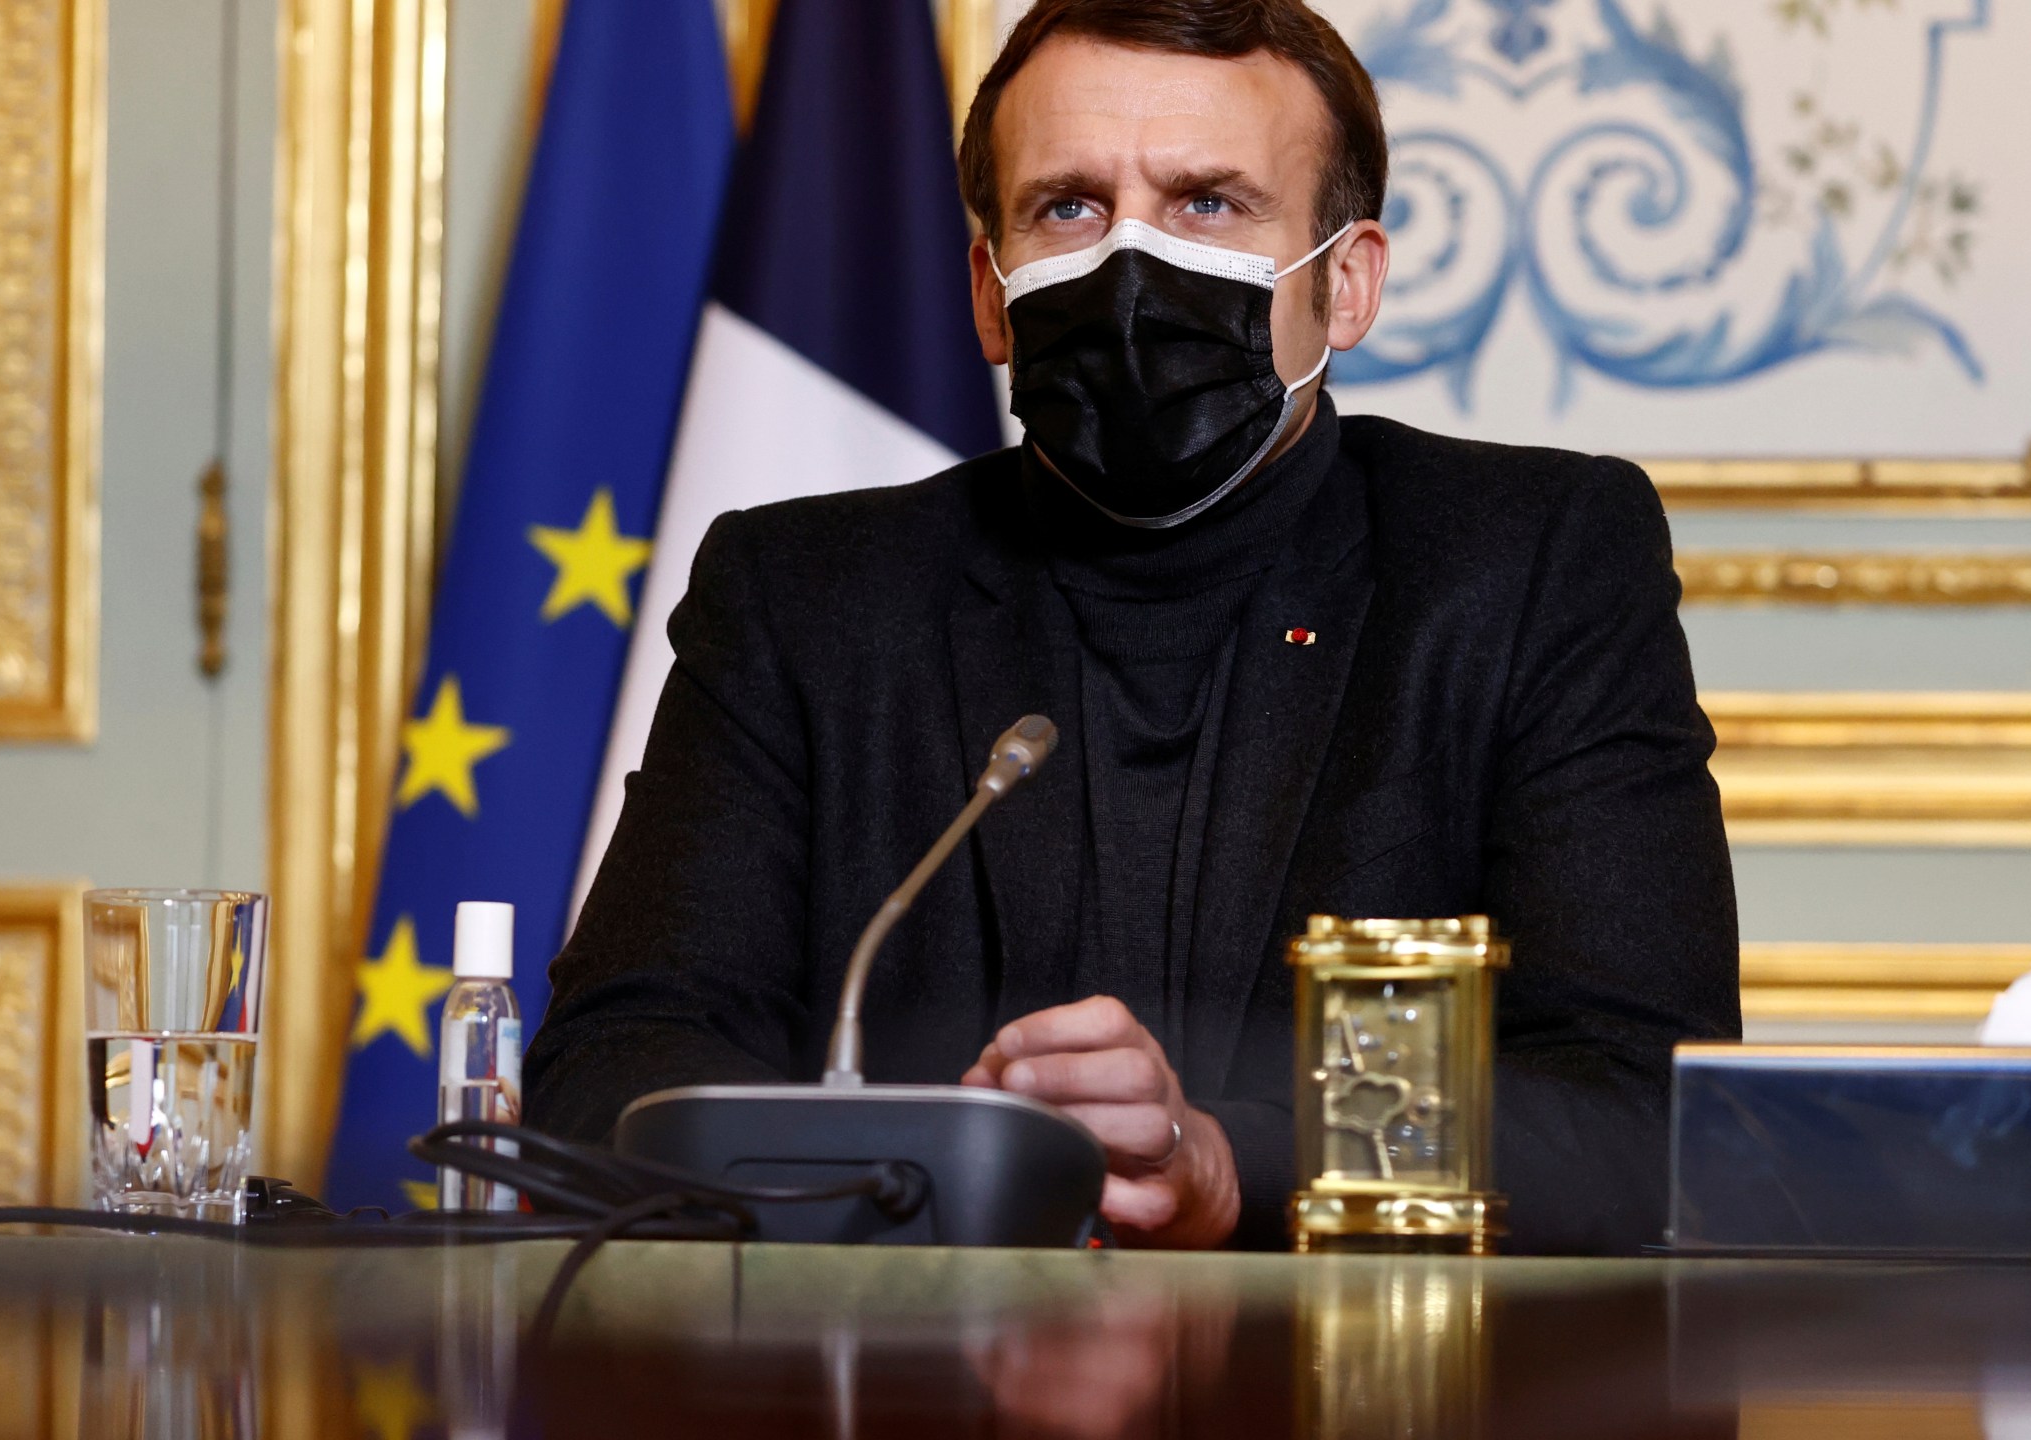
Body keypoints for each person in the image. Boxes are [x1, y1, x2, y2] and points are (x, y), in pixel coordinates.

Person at [526, 0, 1740, 1254]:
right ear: (990, 297)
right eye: (1069, 207)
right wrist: (949, 1172)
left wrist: (1227, 1162)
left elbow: (1641, 1109)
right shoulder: (801, 596)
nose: (1129, 264)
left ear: (1347, 282)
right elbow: (610, 1072)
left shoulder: (1534, 563)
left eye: (1209, 202)